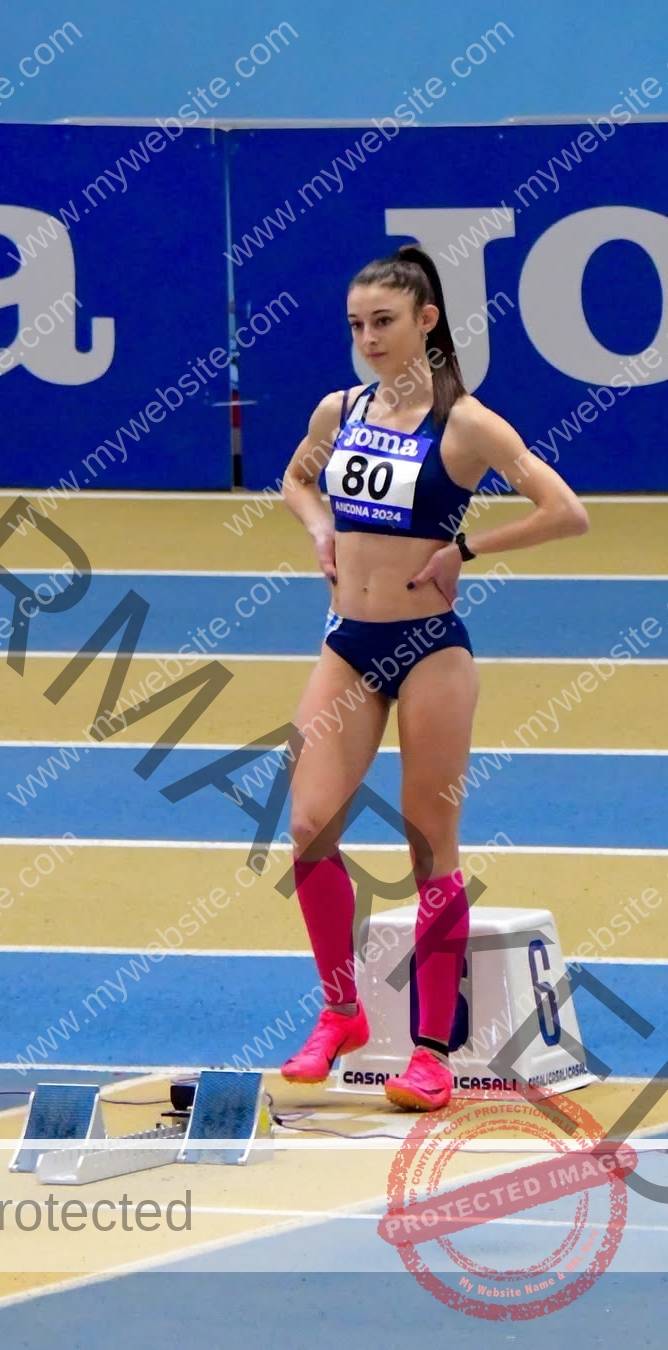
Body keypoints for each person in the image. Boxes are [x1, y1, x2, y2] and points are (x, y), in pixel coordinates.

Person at [278, 244, 588, 1112]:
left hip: (430, 650)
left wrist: (466, 549)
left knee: (427, 846)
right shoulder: (338, 409)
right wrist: (317, 529)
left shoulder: (466, 424)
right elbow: (297, 479)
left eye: (384, 323)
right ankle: (339, 1011)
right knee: (306, 827)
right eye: (355, 326)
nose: (368, 339)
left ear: (427, 321)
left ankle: (429, 1048)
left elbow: (567, 512)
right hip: (349, 644)